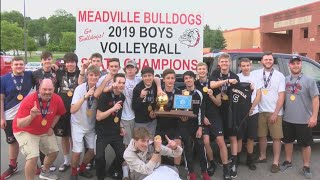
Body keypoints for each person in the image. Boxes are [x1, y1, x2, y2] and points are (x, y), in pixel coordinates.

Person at [12, 79, 66, 180]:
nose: (47, 92)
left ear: (54, 89)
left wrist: (51, 126)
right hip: (25, 130)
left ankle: (45, 172)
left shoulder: (57, 99)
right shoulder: (29, 100)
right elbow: (20, 124)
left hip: (43, 129)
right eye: (44, 89)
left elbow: (59, 113)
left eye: (50, 89)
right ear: (39, 89)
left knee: (53, 152)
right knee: (32, 157)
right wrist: (31, 116)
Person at [280, 56, 319, 179]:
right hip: (288, 118)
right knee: (288, 141)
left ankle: (306, 166)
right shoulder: (285, 80)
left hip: (304, 119)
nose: (295, 65)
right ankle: (288, 161)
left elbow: (315, 99)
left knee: (305, 144)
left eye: (297, 63)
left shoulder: (309, 80)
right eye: (293, 64)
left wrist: (314, 116)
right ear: (289, 66)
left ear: (301, 64)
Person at [195, 62, 230, 179]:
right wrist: (202, 117)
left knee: (220, 141)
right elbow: (194, 104)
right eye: (199, 69)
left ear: (207, 70)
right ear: (197, 71)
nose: (201, 71)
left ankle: (226, 168)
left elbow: (219, 103)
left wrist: (211, 95)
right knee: (206, 142)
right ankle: (212, 163)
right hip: (202, 117)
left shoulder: (213, 84)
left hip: (215, 116)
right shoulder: (194, 84)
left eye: (203, 69)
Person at [0, 56, 34, 179]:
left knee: (31, 140)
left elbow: (44, 73)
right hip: (9, 115)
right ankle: (12, 166)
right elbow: (1, 99)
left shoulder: (30, 75)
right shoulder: (3, 79)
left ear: (24, 65)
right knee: (12, 142)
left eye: (21, 64)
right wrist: (1, 118)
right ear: (12, 66)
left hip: (27, 116)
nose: (19, 66)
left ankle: (33, 164)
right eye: (16, 64)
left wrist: (52, 66)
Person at [253, 51, 285, 173]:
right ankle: (262, 156)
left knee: (276, 138)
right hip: (260, 110)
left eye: (270, 59)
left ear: (273, 61)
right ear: (262, 61)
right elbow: (242, 77)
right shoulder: (255, 73)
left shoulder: (279, 76)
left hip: (274, 112)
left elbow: (281, 96)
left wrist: (275, 113)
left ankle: (275, 162)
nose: (268, 61)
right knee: (262, 135)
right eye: (266, 59)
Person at [210, 53, 239, 178]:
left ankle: (234, 163)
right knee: (220, 140)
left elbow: (240, 91)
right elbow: (211, 85)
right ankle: (225, 166)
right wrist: (226, 81)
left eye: (226, 62)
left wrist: (251, 88)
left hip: (231, 111)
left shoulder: (235, 76)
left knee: (233, 137)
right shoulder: (215, 74)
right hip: (217, 111)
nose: (224, 64)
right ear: (219, 63)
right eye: (222, 62)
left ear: (230, 63)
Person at [95, 73, 129, 180]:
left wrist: (121, 127)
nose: (121, 85)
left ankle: (112, 171)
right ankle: (100, 176)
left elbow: (118, 116)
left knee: (123, 155)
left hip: (115, 132)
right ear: (114, 83)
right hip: (103, 132)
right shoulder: (105, 96)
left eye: (123, 83)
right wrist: (112, 109)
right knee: (99, 157)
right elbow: (99, 117)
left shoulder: (122, 97)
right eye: (119, 82)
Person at [70, 65, 100, 179]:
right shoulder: (80, 88)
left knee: (93, 150)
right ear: (87, 76)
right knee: (77, 151)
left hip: (91, 126)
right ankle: (73, 173)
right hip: (78, 124)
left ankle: (81, 169)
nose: (93, 77)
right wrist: (85, 97)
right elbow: (72, 110)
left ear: (99, 77)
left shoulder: (99, 89)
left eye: (96, 75)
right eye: (91, 75)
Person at [32, 51, 59, 172]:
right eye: (45, 59)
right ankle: (41, 162)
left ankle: (47, 161)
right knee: (39, 134)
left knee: (49, 132)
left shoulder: (56, 71)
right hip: (39, 106)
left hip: (52, 105)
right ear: (41, 61)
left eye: (49, 59)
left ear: (52, 60)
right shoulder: (35, 73)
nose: (47, 62)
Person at [181, 71, 210, 180]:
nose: (188, 80)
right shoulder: (181, 93)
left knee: (200, 148)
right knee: (187, 148)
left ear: (194, 79)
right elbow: (178, 110)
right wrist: (181, 116)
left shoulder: (199, 93)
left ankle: (204, 171)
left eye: (190, 78)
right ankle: (191, 172)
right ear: (184, 81)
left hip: (196, 125)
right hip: (184, 125)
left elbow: (201, 112)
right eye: (186, 78)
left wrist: (200, 127)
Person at [54, 52, 80, 172]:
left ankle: (76, 161)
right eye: (68, 62)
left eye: (72, 62)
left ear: (76, 63)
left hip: (76, 110)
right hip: (62, 110)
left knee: (74, 137)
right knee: (64, 136)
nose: (70, 64)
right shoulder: (59, 73)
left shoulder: (80, 73)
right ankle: (66, 161)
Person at [236, 58, 262, 170]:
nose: (246, 67)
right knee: (239, 137)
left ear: (250, 65)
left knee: (251, 137)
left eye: (247, 65)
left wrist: (251, 107)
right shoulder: (237, 77)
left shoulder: (256, 78)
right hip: (240, 112)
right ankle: (236, 159)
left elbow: (259, 95)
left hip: (253, 111)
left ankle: (249, 159)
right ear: (240, 66)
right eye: (243, 66)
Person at [155, 69, 182, 167]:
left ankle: (176, 169)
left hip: (175, 125)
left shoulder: (180, 92)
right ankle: (157, 170)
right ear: (164, 80)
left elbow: (183, 110)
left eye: (172, 78)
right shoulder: (159, 91)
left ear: (175, 80)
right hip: (160, 125)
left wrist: (184, 117)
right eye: (168, 78)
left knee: (177, 143)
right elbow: (155, 77)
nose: (170, 80)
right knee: (157, 146)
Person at [132, 67, 158, 137]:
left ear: (153, 76)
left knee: (151, 142)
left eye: (149, 75)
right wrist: (140, 97)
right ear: (142, 77)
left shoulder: (156, 86)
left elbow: (158, 102)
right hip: (141, 122)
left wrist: (155, 112)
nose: (147, 78)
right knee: (140, 143)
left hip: (152, 120)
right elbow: (134, 107)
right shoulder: (137, 88)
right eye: (145, 76)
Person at [121, 60, 142, 147]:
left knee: (136, 141)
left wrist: (159, 88)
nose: (130, 70)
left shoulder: (139, 80)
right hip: (124, 117)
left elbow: (155, 78)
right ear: (125, 70)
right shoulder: (122, 80)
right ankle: (127, 160)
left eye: (132, 68)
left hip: (136, 117)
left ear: (136, 69)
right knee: (128, 143)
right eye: (128, 68)